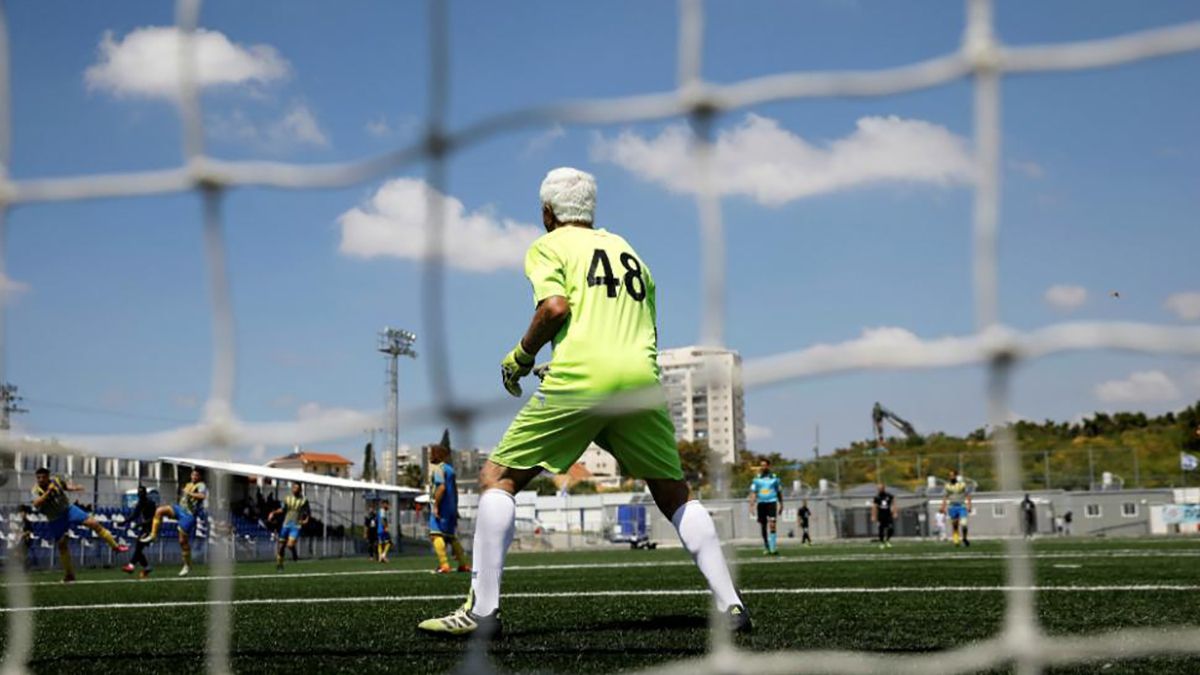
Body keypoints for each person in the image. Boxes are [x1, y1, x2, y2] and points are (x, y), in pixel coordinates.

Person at [419, 168, 748, 637]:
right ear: (591, 211)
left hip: (580, 381)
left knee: (499, 476)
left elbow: (555, 307)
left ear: (547, 214)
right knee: (674, 492)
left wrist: (520, 357)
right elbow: (646, 328)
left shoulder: (548, 245)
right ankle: (732, 603)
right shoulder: (629, 251)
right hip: (638, 382)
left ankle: (483, 612)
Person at [30, 468, 128, 582]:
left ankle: (115, 546)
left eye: (43, 477)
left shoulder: (56, 481)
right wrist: (48, 492)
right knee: (62, 545)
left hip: (68, 510)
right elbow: (36, 504)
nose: (40, 480)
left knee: (94, 523)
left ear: (48, 476)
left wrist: (75, 488)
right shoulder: (35, 490)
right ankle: (69, 575)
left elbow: (65, 487)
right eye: (38, 478)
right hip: (55, 519)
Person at [139, 468, 207, 576]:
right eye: (193, 475)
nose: (194, 477)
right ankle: (153, 535)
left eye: (196, 475)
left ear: (200, 477)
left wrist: (189, 493)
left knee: (182, 541)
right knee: (160, 510)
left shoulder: (201, 485)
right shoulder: (188, 484)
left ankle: (187, 565)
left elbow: (202, 496)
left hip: (188, 515)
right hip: (179, 509)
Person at [429, 430, 470, 574]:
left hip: (442, 507)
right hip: (451, 507)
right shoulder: (450, 469)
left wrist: (435, 505)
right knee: (451, 537)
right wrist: (455, 508)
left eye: (431, 452)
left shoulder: (439, 469)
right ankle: (463, 564)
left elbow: (441, 487)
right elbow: (455, 490)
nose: (429, 455)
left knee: (436, 535)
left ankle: (444, 565)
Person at [270, 483, 311, 571]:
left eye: (297, 488)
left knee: (290, 544)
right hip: (286, 524)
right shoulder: (287, 499)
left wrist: (306, 520)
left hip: (296, 526)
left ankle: (294, 552)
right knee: (281, 547)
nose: (294, 489)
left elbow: (308, 512)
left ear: (300, 490)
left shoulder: (304, 500)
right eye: (294, 487)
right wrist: (273, 513)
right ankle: (280, 565)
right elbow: (283, 509)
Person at [748, 459, 783, 556]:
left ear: (768, 466)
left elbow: (779, 492)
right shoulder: (757, 479)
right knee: (763, 526)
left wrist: (781, 504)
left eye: (765, 465)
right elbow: (754, 493)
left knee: (772, 524)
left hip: (772, 502)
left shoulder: (775, 478)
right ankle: (766, 546)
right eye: (761, 465)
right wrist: (751, 505)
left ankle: (773, 547)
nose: (763, 467)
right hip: (761, 504)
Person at [123, 485, 157, 578]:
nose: (140, 494)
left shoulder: (150, 503)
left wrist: (140, 524)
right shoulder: (140, 503)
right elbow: (134, 515)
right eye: (139, 492)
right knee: (139, 548)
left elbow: (153, 518)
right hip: (145, 528)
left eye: (141, 492)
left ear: (145, 493)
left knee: (139, 546)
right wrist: (124, 522)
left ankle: (131, 565)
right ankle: (146, 567)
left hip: (151, 528)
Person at [940, 470, 972, 547]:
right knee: (955, 525)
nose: (951, 477)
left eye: (953, 475)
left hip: (961, 506)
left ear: (956, 476)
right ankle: (956, 540)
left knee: (964, 523)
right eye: (950, 475)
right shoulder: (947, 486)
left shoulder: (962, 485)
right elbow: (945, 497)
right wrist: (943, 507)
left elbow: (967, 495)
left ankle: (964, 538)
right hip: (952, 507)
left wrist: (969, 505)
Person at [871, 483, 897, 549]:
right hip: (880, 515)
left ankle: (887, 540)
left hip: (888, 515)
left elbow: (894, 503)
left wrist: (895, 512)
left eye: (881, 488)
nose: (879, 489)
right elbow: (874, 507)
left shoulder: (889, 496)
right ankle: (882, 542)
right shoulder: (876, 497)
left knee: (891, 528)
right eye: (878, 488)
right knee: (881, 529)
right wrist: (873, 516)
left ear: (883, 488)